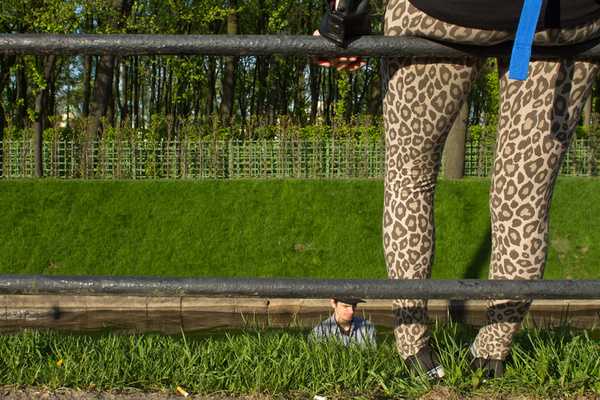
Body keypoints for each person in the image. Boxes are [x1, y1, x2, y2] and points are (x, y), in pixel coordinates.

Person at [316, 0, 600, 380]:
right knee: (524, 200)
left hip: (444, 13)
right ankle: (491, 356)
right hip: (565, 20)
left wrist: (344, 13)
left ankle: (415, 352)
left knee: (409, 178)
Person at [310, 297, 377, 347]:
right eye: (346, 306)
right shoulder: (319, 332)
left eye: (354, 306)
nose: (351, 311)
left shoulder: (367, 326)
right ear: (333, 303)